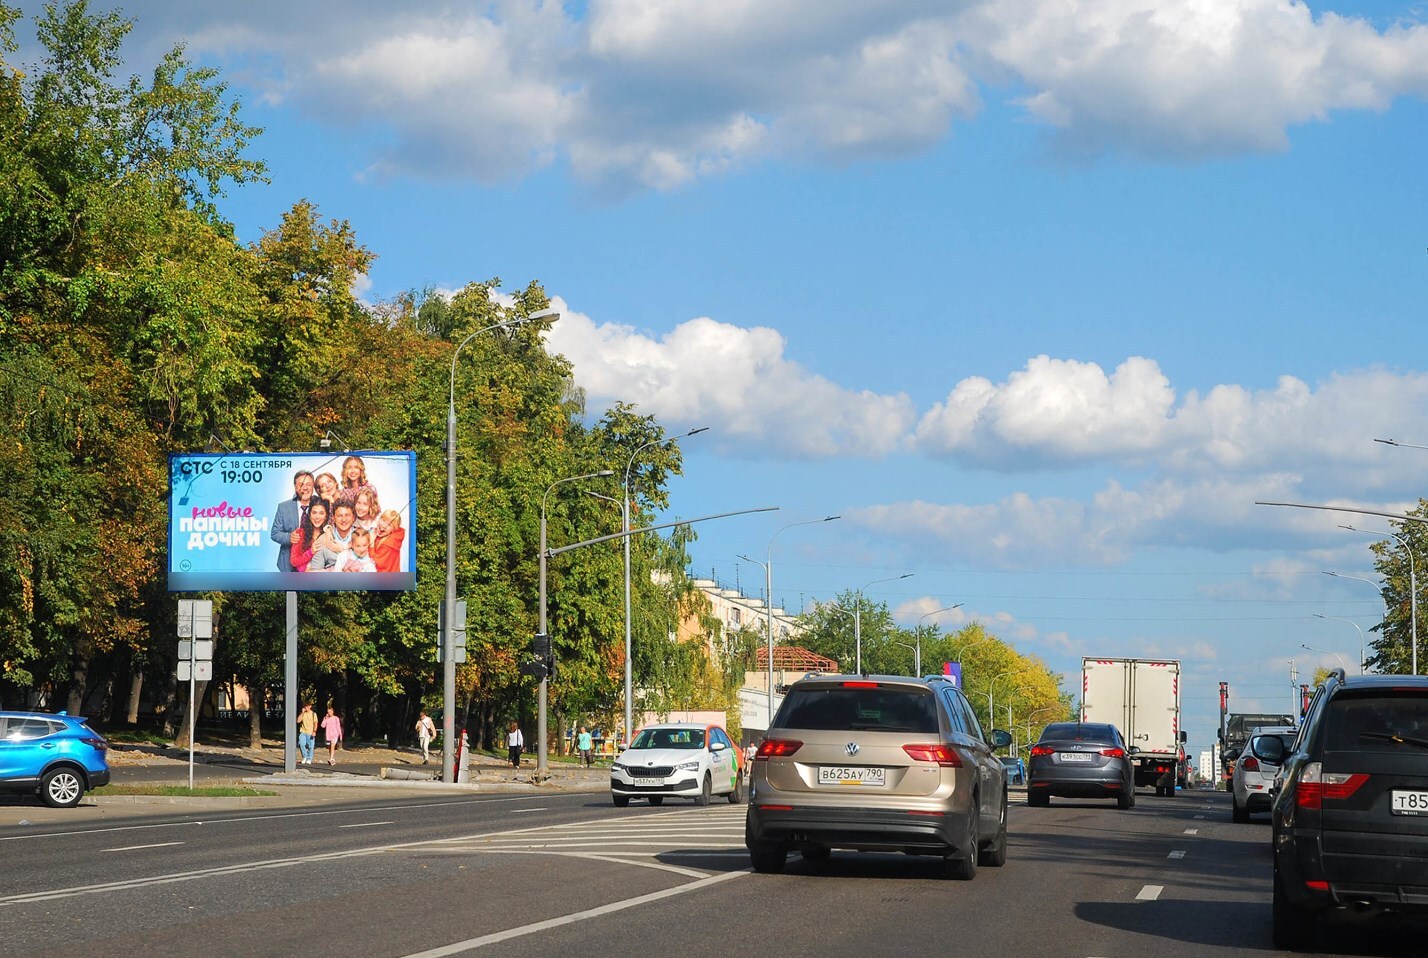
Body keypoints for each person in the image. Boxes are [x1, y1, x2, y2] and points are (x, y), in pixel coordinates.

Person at [270, 471, 315, 571]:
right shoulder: (283, 507)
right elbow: (274, 533)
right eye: (301, 484)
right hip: (288, 564)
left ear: (313, 486)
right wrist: (289, 537)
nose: (305, 488)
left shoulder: (319, 506)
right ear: (295, 487)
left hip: (313, 563)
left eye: (308, 484)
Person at [289, 499, 331, 573]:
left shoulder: (329, 533)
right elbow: (294, 561)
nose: (317, 517)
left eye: (321, 513)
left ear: (326, 516)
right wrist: (311, 552)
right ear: (309, 514)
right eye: (314, 513)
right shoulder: (300, 533)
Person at [371, 509, 405, 573]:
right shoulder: (379, 534)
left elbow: (375, 563)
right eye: (383, 520)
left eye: (389, 525)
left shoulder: (388, 544)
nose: (384, 526)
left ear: (393, 530)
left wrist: (371, 545)